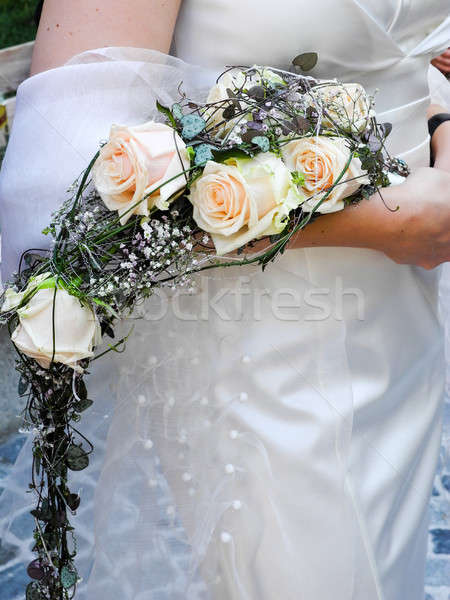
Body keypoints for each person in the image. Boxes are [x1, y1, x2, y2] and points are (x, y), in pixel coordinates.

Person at [0, 1, 449, 598]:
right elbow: (62, 192)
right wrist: (391, 225)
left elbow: (409, 66)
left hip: (403, 311)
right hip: (263, 345)